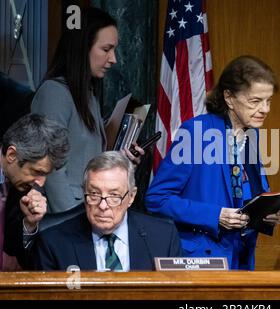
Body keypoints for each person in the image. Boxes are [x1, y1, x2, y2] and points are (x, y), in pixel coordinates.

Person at [145, 55, 280, 270]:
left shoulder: (252, 136)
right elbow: (157, 199)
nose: (266, 109)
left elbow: (247, 196)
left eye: (269, 101)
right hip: (202, 259)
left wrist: (267, 213)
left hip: (241, 258)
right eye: (255, 101)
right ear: (229, 98)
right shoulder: (196, 132)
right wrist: (215, 215)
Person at [31, 7, 144, 217]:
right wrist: (70, 221)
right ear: (83, 48)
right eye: (106, 49)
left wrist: (121, 159)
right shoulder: (54, 93)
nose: (113, 59)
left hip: (87, 212)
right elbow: (50, 168)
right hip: (67, 218)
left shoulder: (87, 94)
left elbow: (85, 157)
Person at [34, 151, 182, 271]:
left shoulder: (163, 238)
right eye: (94, 194)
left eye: (114, 195)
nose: (103, 206)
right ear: (84, 193)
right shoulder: (54, 243)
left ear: (131, 197)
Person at [1, 113, 69, 270]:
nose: (41, 182)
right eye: (37, 172)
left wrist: (29, 223)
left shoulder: (22, 188)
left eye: (45, 174)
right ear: (12, 155)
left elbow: (12, 249)